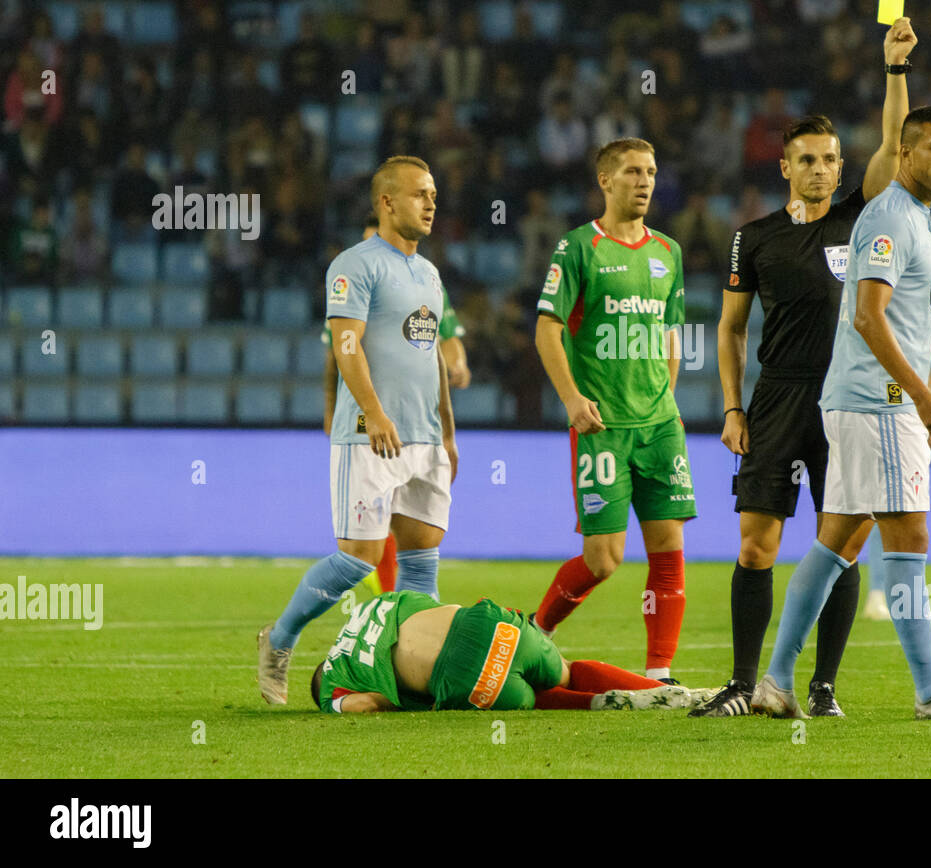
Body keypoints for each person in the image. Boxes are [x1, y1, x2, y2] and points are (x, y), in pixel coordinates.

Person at [692, 18, 918, 720]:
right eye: (807, 159)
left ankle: (821, 689)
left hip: (844, 400)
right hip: (779, 399)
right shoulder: (752, 240)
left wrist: (893, 70)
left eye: (829, 159)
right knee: (756, 547)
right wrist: (732, 409)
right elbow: (730, 331)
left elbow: (893, 144)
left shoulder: (859, 218)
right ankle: (741, 682)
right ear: (784, 166)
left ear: (841, 171)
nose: (821, 168)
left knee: (839, 544)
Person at [751, 106, 931, 722]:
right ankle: (930, 692)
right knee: (906, 537)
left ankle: (776, 682)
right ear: (906, 153)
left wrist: (927, 395)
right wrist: (918, 397)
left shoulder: (915, 218)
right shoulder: (889, 216)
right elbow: (867, 315)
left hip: (878, 401)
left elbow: (910, 325)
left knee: (838, 540)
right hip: (878, 401)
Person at [257, 156, 457, 704]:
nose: (432, 202)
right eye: (421, 194)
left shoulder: (431, 274)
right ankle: (280, 637)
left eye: (434, 193)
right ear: (387, 202)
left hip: (424, 436)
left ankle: (409, 675)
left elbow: (434, 356)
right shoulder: (355, 264)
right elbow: (346, 347)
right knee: (358, 558)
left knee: (421, 564)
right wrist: (372, 413)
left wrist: (449, 433)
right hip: (371, 435)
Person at [531, 138, 695, 684]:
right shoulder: (578, 248)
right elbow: (547, 329)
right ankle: (538, 629)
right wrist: (573, 400)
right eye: (632, 172)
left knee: (668, 549)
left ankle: (661, 672)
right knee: (604, 558)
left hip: (659, 426)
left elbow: (670, 332)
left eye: (651, 171)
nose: (644, 181)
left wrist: (667, 396)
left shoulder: (668, 252)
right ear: (605, 181)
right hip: (602, 427)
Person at [320, 214, 471, 596]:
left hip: (416, 423)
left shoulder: (425, 278)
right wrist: (332, 410)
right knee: (365, 544)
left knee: (414, 540)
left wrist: (459, 362)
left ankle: (396, 611)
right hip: (367, 421)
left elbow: (443, 338)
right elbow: (337, 353)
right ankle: (383, 598)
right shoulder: (355, 275)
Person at [311, 591, 716, 713]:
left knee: (532, 698)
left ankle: (605, 704)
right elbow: (434, 605)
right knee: (567, 670)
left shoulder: (334, 682)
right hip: (492, 627)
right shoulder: (371, 607)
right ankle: (672, 692)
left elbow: (363, 706)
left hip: (465, 680)